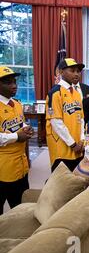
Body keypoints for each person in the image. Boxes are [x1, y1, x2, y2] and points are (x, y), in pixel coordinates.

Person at [0, 66, 34, 214]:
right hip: (4, 168)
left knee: (21, 207)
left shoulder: (17, 104)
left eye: (14, 81)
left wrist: (27, 128)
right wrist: (16, 137)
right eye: (7, 82)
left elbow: (20, 123)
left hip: (21, 164)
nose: (14, 85)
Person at [46, 58, 86, 172]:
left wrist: (82, 140)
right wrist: (72, 144)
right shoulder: (55, 92)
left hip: (78, 146)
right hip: (62, 147)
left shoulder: (77, 93)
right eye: (72, 70)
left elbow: (81, 118)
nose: (76, 74)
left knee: (75, 180)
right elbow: (56, 122)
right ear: (61, 72)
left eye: (78, 71)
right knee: (60, 181)